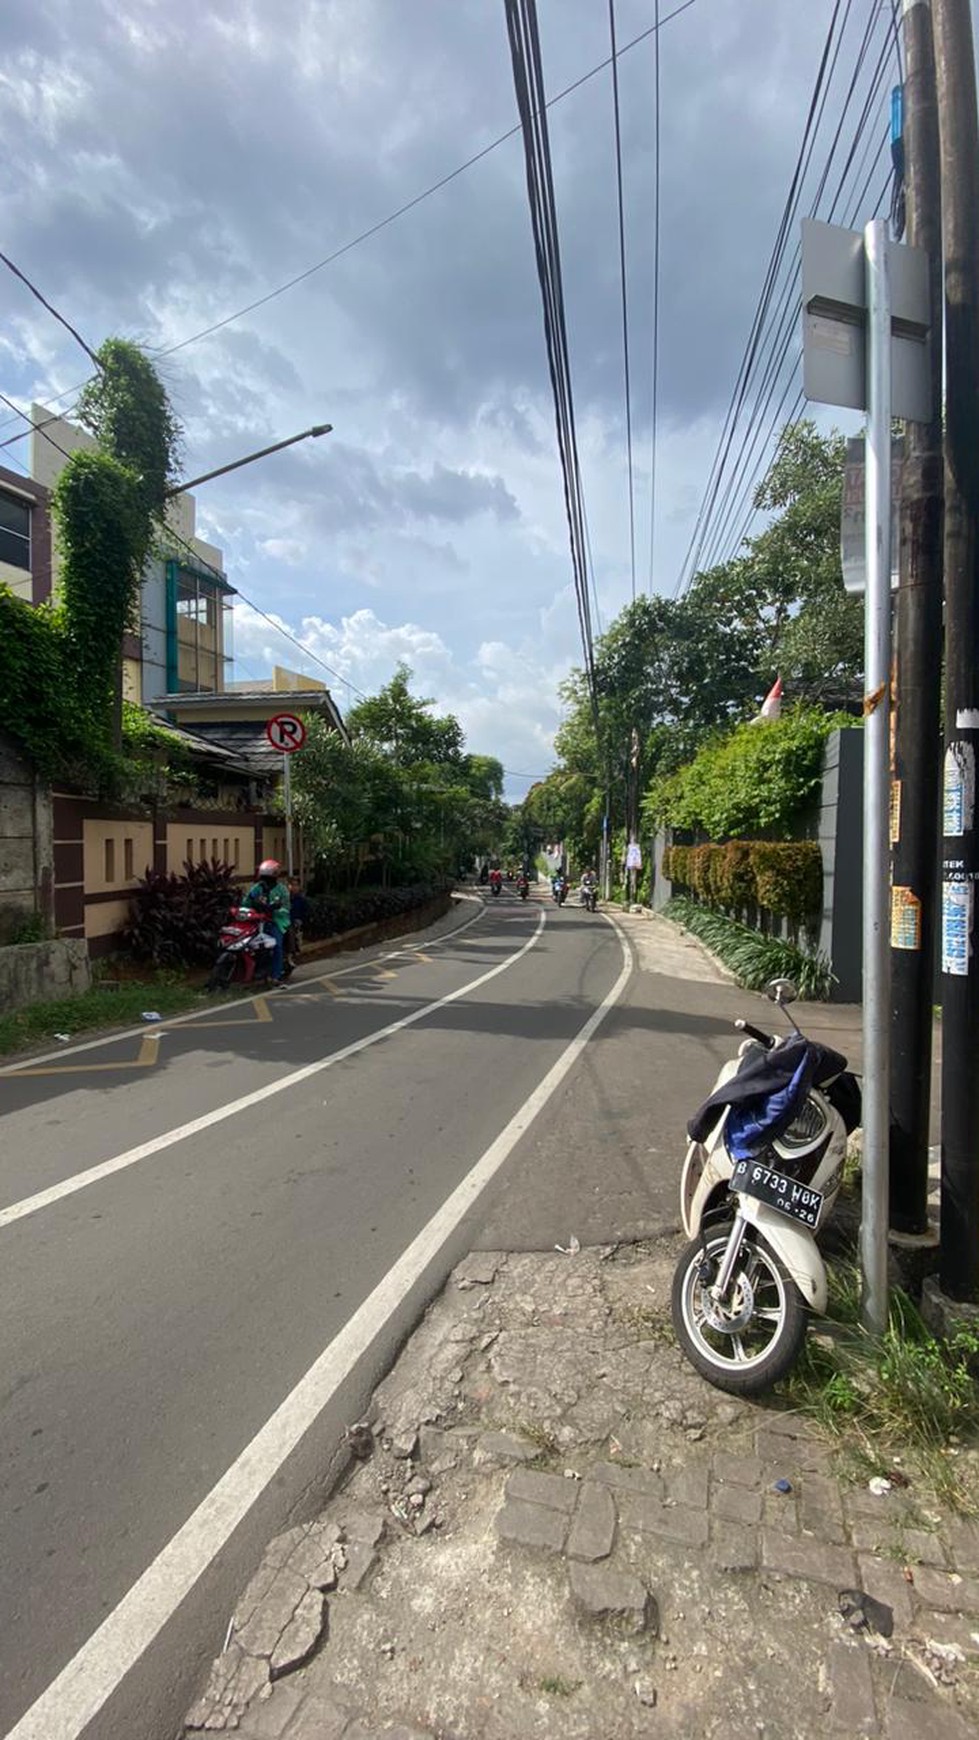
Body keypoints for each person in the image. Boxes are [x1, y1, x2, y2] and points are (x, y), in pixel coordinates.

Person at [245, 859, 291, 982]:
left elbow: (286, 907)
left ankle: (276, 975)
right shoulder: (256, 888)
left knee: (277, 946)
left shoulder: (282, 890)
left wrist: (274, 909)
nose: (265, 881)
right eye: (264, 878)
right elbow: (246, 902)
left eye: (268, 878)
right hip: (257, 921)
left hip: (275, 921)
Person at [288, 875, 311, 962]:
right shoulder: (285, 899)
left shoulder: (301, 900)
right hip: (283, 921)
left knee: (291, 930)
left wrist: (300, 920)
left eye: (296, 885)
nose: (294, 887)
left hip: (295, 923)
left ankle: (293, 952)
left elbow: (305, 913)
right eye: (292, 885)